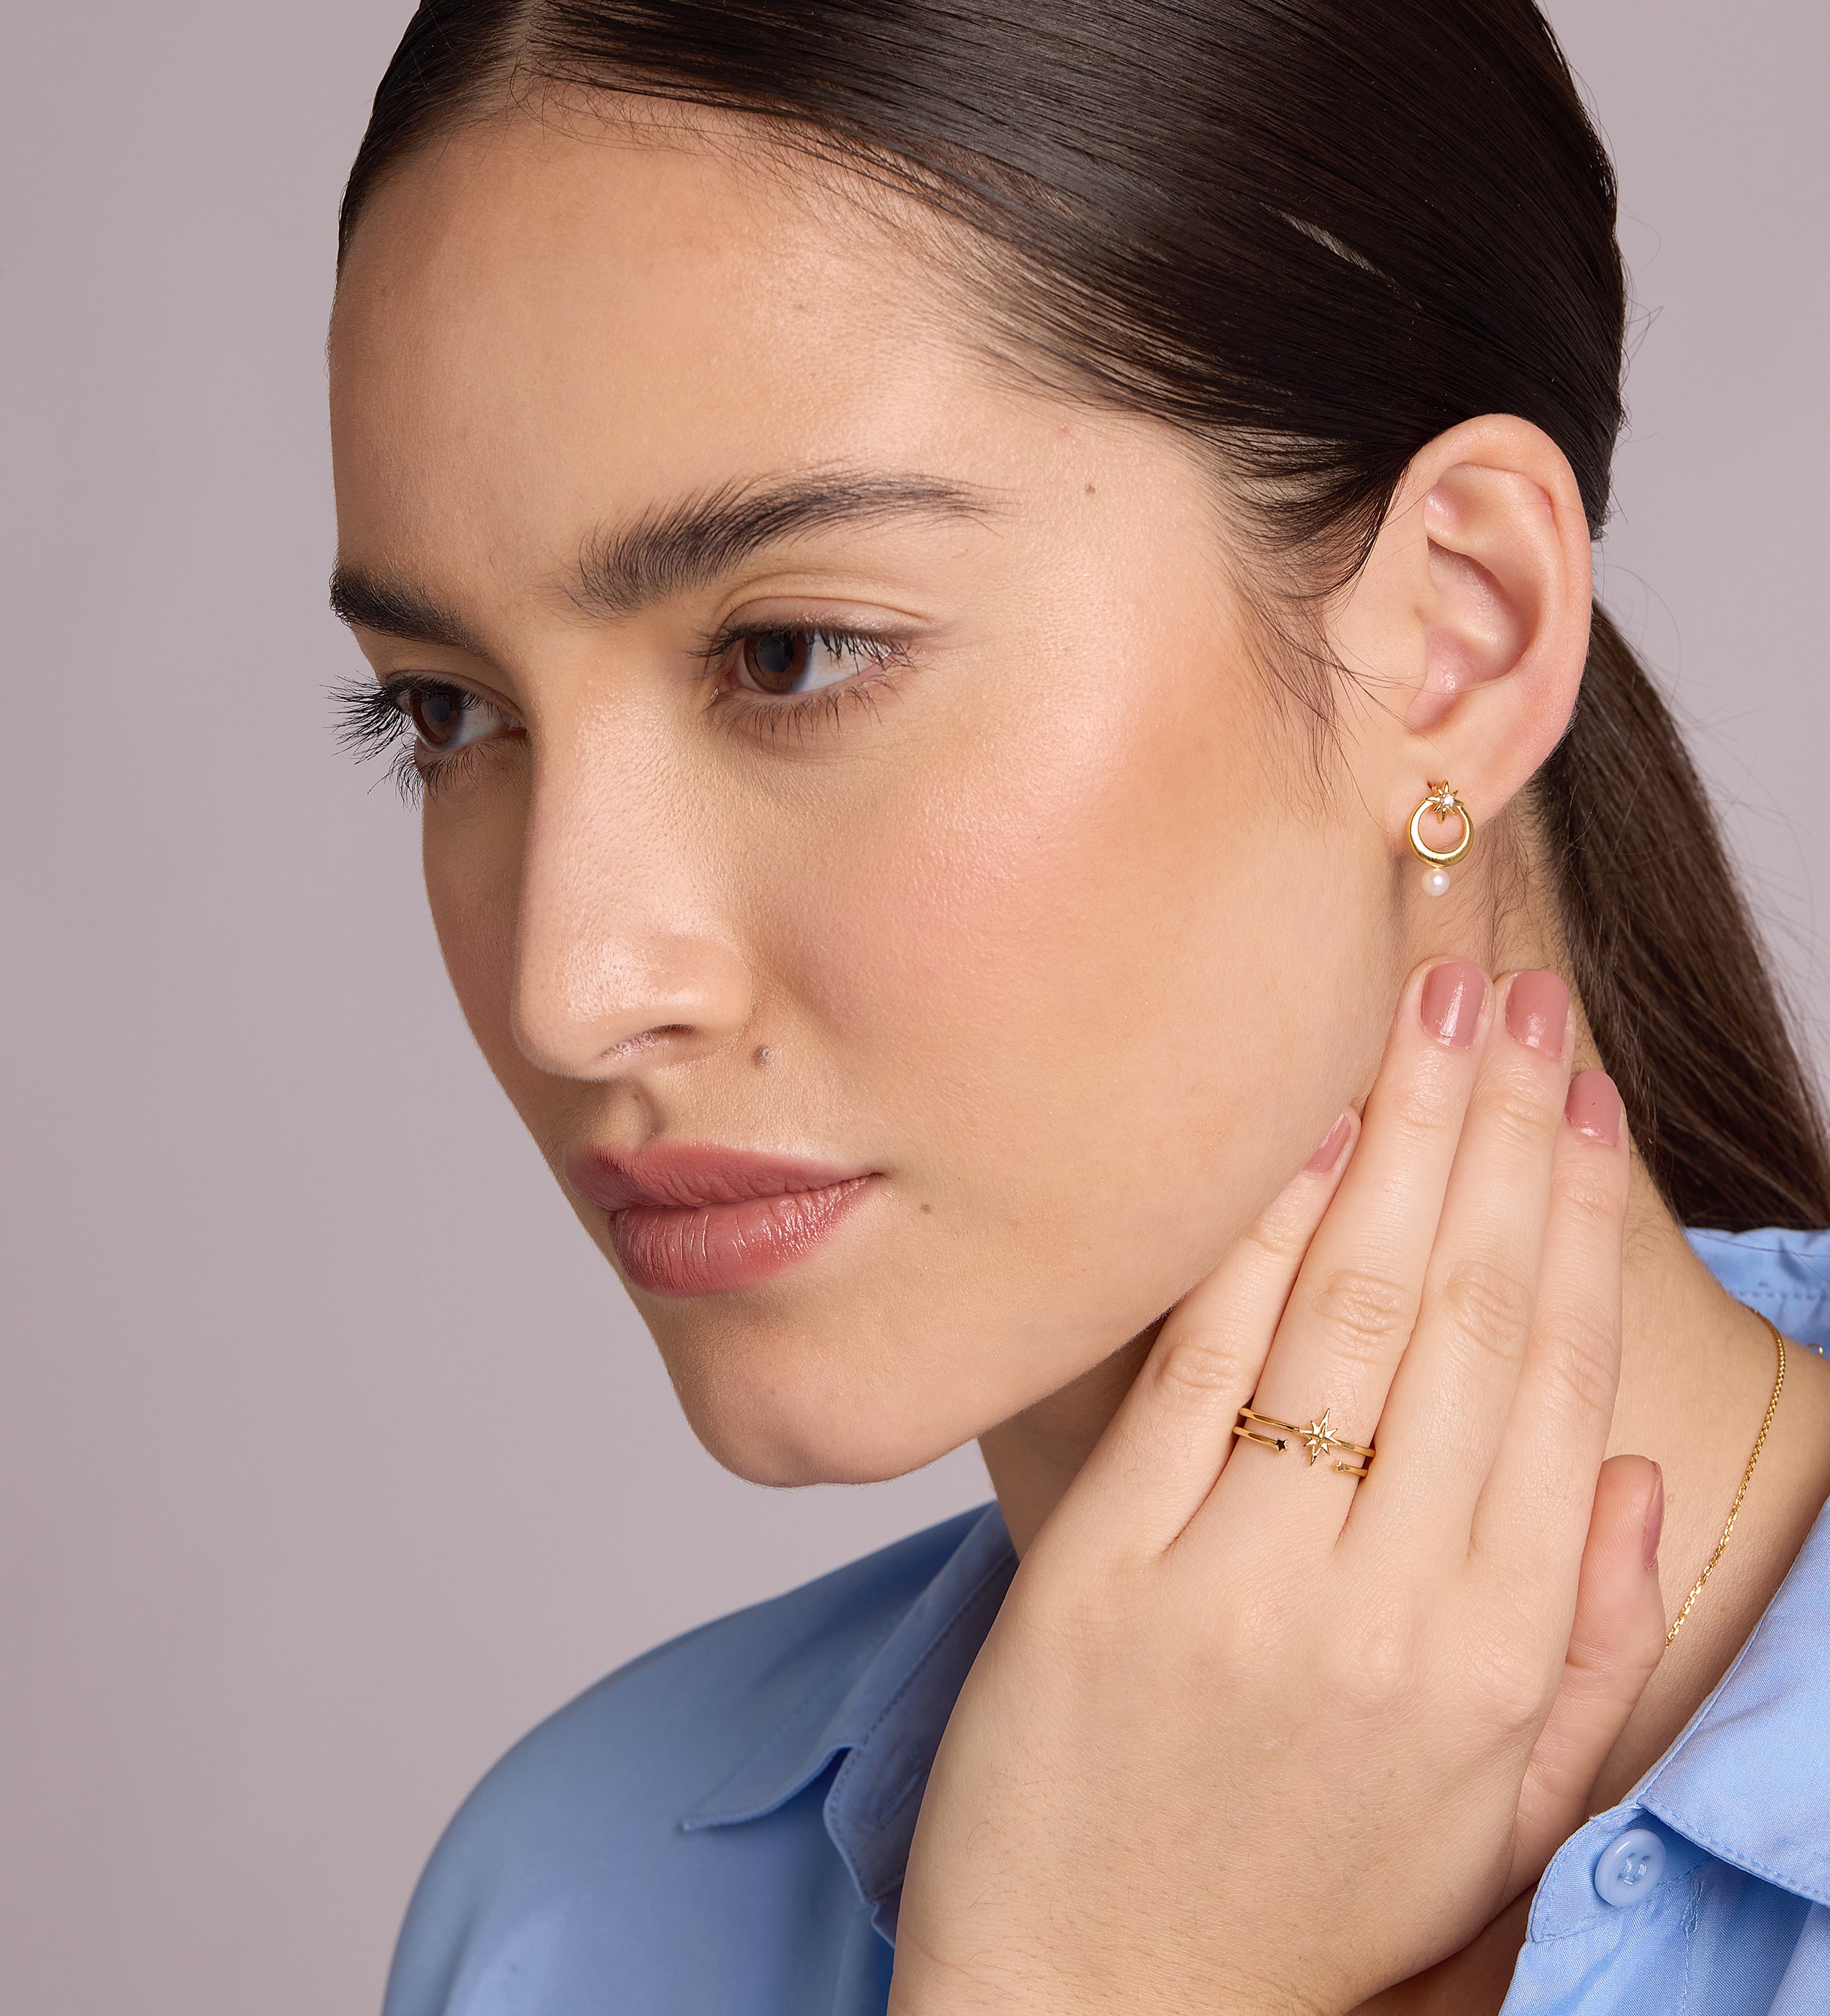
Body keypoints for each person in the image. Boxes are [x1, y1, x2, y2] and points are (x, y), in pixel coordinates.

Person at [326, 2, 1830, 2009]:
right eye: (446, 711)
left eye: (791, 653)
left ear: (1455, 638)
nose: (575, 988)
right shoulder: (574, 1911)